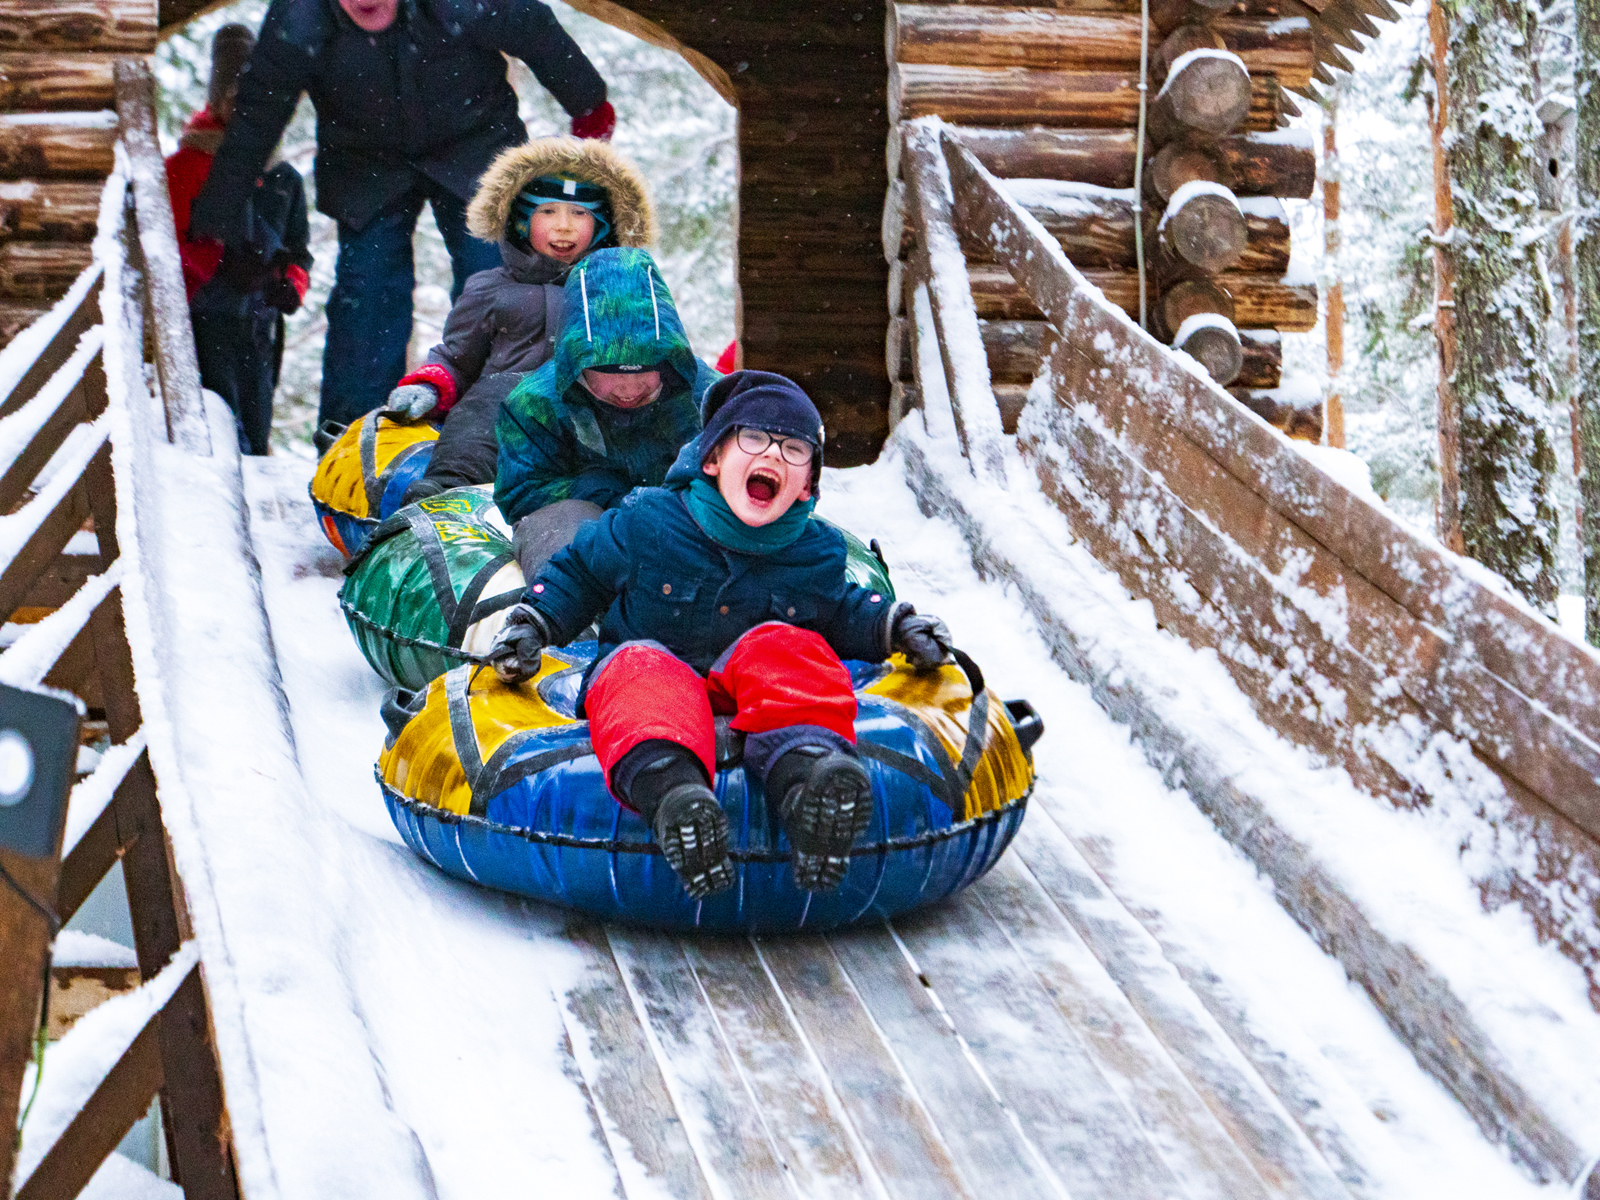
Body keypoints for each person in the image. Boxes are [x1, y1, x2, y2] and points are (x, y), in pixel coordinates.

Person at [487, 371, 957, 899]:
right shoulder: (649, 522)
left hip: (755, 691)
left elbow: (845, 612)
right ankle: (677, 799)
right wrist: (533, 624)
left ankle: (809, 784)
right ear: (711, 460)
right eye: (753, 439)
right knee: (638, 664)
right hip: (656, 679)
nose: (775, 456)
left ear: (807, 485)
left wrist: (897, 626)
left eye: (795, 449)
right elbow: (581, 573)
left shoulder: (817, 551)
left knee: (788, 646)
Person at [187, 0, 615, 433]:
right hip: (364, 160)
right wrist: (217, 219)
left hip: (474, 142)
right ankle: (354, 433)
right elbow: (259, 110)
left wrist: (588, 104)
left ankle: (503, 424)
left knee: (496, 278)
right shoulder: (301, 17)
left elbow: (533, 27)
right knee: (368, 293)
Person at [386, 137, 656, 501]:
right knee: (493, 401)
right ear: (519, 221)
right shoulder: (490, 289)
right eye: (547, 212)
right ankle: (445, 493)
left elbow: (652, 357)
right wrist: (430, 386)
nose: (563, 227)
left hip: (589, 420)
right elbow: (457, 357)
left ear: (604, 226)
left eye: (580, 213)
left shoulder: (619, 292)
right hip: (498, 420)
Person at [493, 246, 717, 581]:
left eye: (641, 373)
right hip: (581, 525)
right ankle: (568, 620)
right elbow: (520, 492)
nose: (627, 390)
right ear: (577, 364)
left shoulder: (708, 398)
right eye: (609, 374)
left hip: (685, 521)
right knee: (566, 528)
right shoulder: (535, 405)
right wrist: (599, 492)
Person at [166, 23, 311, 456]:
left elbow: (299, 252)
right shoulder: (184, 167)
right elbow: (166, 245)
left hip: (262, 331)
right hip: (204, 324)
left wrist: (290, 285)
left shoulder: (283, 178)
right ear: (218, 98)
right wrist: (218, 265)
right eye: (235, 96)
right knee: (217, 433)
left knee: (255, 430)